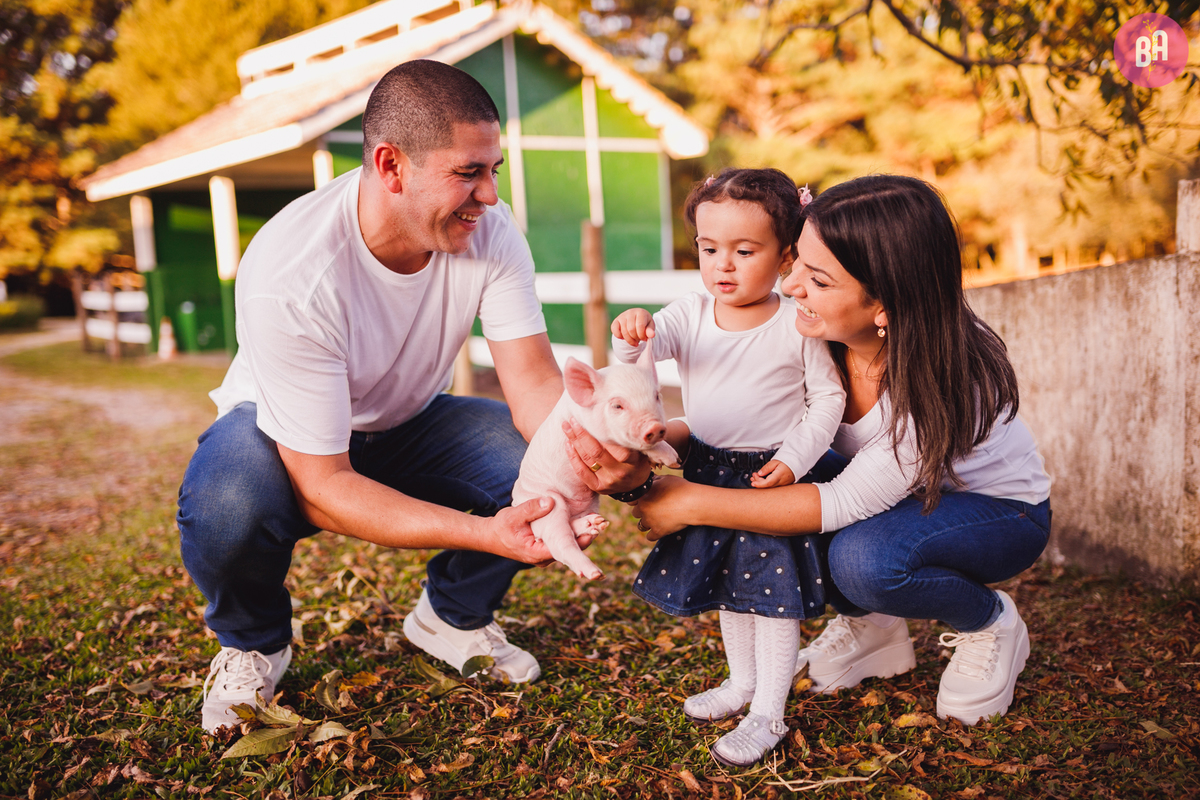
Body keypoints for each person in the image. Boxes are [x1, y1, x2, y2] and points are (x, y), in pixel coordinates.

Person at [178, 60, 644, 733]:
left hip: (408, 420)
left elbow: (537, 385)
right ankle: (253, 642)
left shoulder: (490, 230)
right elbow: (323, 484)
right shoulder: (292, 271)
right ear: (391, 166)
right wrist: (489, 534)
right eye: (467, 173)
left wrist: (594, 454)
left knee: (536, 459)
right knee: (228, 499)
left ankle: (450, 616)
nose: (489, 196)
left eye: (493, 171)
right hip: (282, 439)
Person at [629, 174, 1051, 734]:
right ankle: (876, 629)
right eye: (798, 259)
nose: (794, 284)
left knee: (862, 562)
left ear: (885, 303)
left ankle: (991, 622)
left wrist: (689, 504)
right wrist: (668, 438)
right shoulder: (815, 327)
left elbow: (843, 501)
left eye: (819, 278)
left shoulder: (940, 374)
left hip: (995, 512)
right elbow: (752, 419)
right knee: (780, 488)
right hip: (885, 493)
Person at [609, 168, 845, 767]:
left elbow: (828, 400)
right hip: (709, 472)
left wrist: (794, 459)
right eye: (710, 249)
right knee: (729, 591)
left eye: (745, 251)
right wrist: (631, 336)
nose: (724, 266)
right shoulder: (690, 313)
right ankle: (741, 683)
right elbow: (641, 355)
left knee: (772, 597)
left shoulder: (794, 324)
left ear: (787, 255)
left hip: (771, 477)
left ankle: (769, 709)